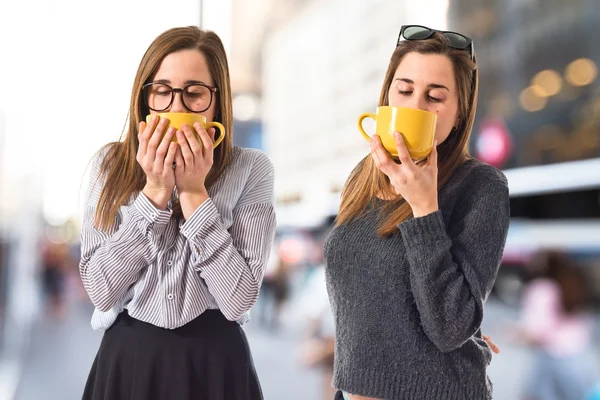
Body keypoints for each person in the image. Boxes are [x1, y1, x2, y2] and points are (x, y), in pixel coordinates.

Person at [79, 26, 276, 400]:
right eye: (163, 91)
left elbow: (238, 299)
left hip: (217, 366)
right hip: (128, 362)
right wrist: (154, 192)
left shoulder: (251, 168)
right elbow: (101, 291)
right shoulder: (109, 165)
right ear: (145, 100)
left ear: (217, 102)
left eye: (194, 93)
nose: (177, 108)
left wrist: (194, 193)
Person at [324, 25, 509, 400]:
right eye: (404, 90)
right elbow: (361, 299)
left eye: (435, 97)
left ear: (459, 114)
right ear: (387, 97)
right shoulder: (361, 176)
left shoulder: (481, 187)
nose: (415, 107)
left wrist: (424, 208)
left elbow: (449, 326)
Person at [516, 250, 598, 400]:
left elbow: (536, 331)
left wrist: (513, 334)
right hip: (580, 359)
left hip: (552, 359)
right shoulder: (573, 283)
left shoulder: (540, 288)